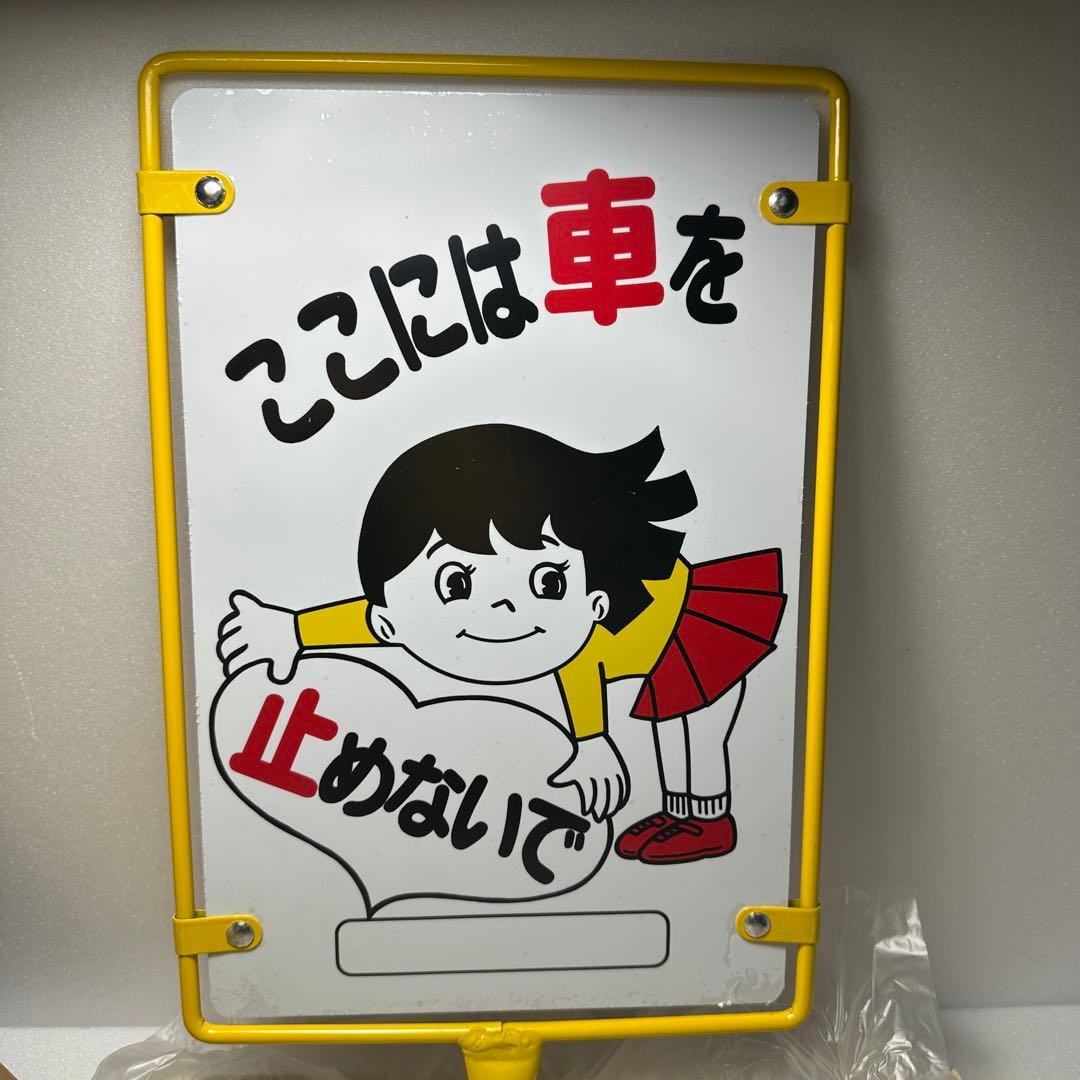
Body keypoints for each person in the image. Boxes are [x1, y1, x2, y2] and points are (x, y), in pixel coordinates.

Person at [217, 424, 785, 865]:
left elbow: (576, 663)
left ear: (594, 601)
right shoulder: (417, 615)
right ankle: (685, 815)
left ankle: (706, 821)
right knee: (678, 731)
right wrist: (293, 630)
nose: (505, 609)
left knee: (694, 734)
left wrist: (592, 740)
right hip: (655, 648)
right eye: (457, 584)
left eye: (548, 581)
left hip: (698, 628)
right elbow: (399, 614)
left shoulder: (577, 623)